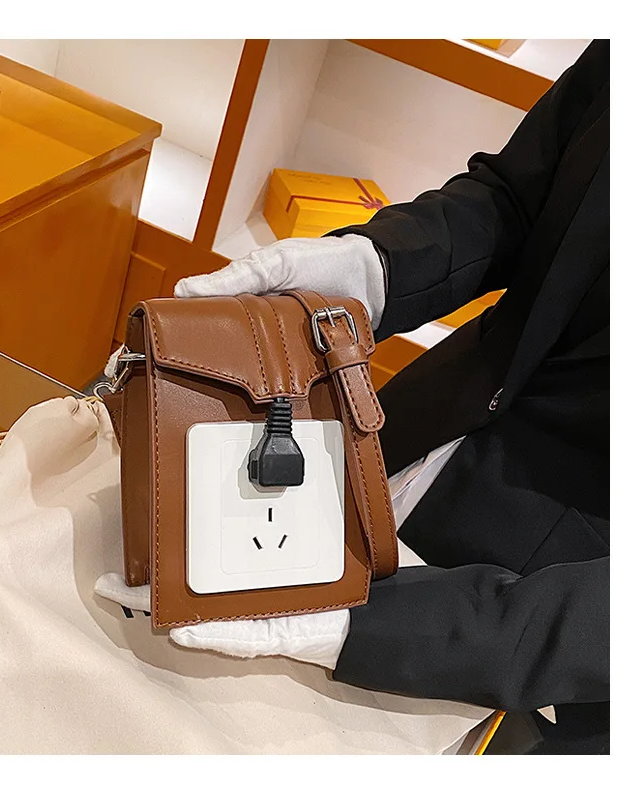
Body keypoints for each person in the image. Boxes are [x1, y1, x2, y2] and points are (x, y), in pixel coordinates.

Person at [109, 39, 609, 754]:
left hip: (542, 616)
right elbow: (519, 198)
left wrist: (376, 632)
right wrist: (374, 265)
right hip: (409, 432)